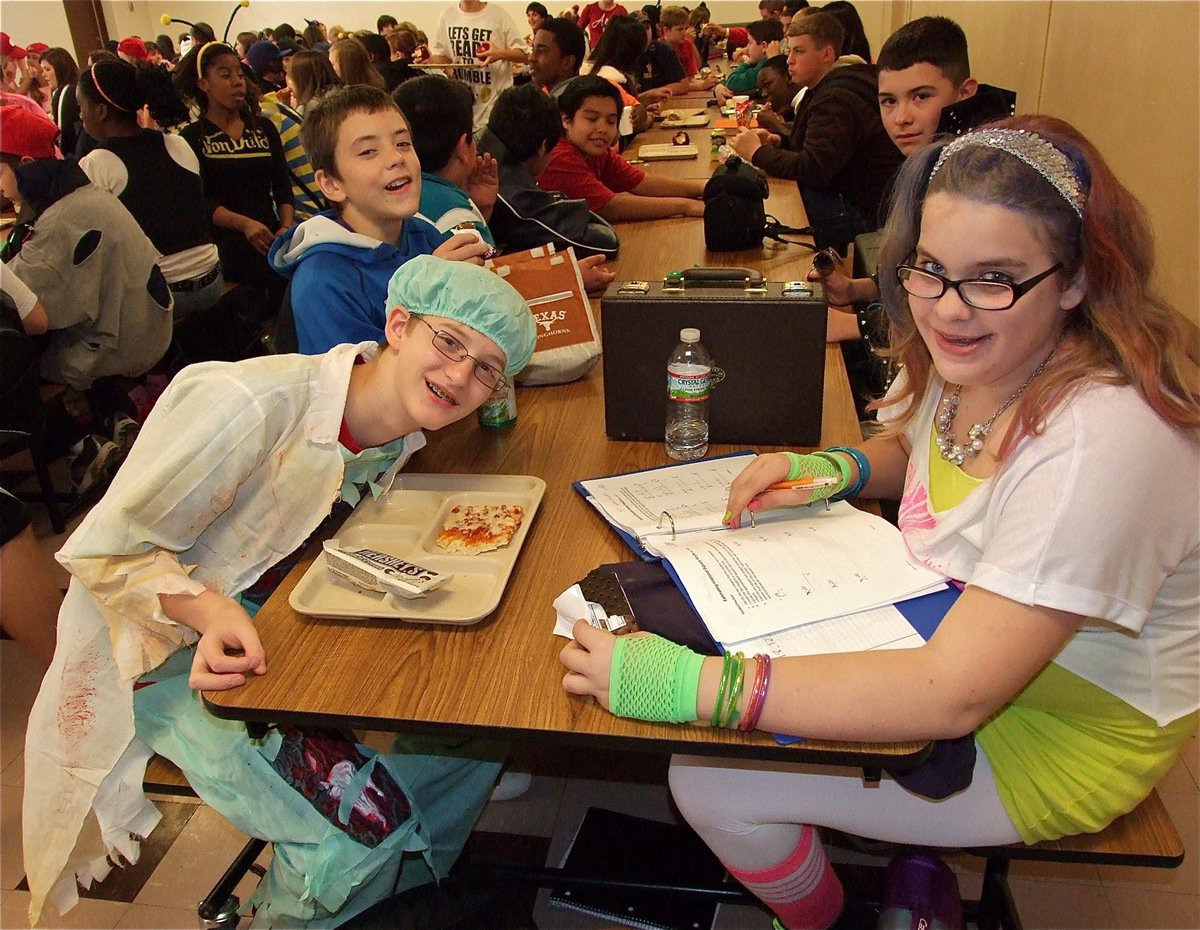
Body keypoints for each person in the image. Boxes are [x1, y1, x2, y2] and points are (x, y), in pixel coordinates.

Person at [559, 114, 1200, 930]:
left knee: (707, 777)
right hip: (952, 627)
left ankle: (832, 921)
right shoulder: (995, 348)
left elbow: (951, 697)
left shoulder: (1102, 443)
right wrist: (839, 468)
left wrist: (689, 688)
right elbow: (925, 441)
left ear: (1074, 281)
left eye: (994, 277)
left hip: (1060, 727)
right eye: (929, 269)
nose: (947, 308)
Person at [23, 254, 538, 929]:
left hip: (271, 622)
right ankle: (321, 895)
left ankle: (394, 895)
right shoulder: (254, 404)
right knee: (359, 827)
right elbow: (105, 549)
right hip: (155, 652)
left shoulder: (397, 433)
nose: (458, 376)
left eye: (484, 369)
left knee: (476, 724)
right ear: (398, 323)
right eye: (448, 342)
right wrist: (209, 612)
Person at [269, 86, 490, 353]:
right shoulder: (322, 282)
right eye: (368, 152)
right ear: (330, 183)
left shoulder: (424, 235)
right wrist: (426, 293)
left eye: (403, 144)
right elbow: (366, 384)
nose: (397, 158)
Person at [0, 105, 172, 392]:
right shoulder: (77, 190)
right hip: (147, 323)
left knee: (18, 358)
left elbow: (24, 304)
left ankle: (87, 426)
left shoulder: (60, 219)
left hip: (126, 346)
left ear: (26, 164)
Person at [730, 12, 902, 251]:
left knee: (766, 207)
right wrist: (780, 142)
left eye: (799, 51)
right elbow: (824, 149)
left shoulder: (835, 97)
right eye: (789, 51)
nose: (789, 60)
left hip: (865, 215)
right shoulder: (834, 83)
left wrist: (757, 153)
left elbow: (813, 168)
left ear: (827, 54)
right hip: (863, 202)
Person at [77, 59, 223, 320]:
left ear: (101, 111)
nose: (79, 116)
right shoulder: (177, 144)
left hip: (165, 296)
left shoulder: (96, 163)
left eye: (81, 107)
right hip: (213, 279)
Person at [176, 41, 294, 308]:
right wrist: (244, 224)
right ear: (203, 84)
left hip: (272, 240)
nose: (237, 82)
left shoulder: (263, 129)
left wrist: (285, 227)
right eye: (225, 75)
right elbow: (200, 200)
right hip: (227, 248)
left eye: (239, 74)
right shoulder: (192, 138)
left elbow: (282, 185)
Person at [478, 82, 619, 261]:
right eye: (591, 118)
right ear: (543, 147)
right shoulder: (510, 192)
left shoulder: (484, 145)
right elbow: (604, 242)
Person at [536, 75, 705, 221]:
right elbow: (610, 207)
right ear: (566, 119)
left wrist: (705, 188)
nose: (602, 129)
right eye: (592, 119)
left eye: (611, 121)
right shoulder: (558, 156)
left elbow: (640, 182)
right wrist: (685, 206)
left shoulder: (594, 150)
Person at [393, 76, 497, 247]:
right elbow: (485, 272)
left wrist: (479, 209)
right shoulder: (456, 216)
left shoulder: (386, 198)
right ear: (464, 147)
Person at [427, 1, 525, 132]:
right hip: (464, 109)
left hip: (495, 110)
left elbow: (524, 55)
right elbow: (445, 58)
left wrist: (499, 53)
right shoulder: (447, 16)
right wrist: (428, 60)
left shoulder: (498, 15)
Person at [715, 16, 784, 102]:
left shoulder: (764, 66)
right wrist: (719, 86)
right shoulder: (760, 63)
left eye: (750, 42)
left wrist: (746, 63)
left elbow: (732, 82)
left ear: (764, 46)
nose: (747, 48)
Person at [39, 47, 81, 156]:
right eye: (42, 70)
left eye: (47, 69)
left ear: (60, 69)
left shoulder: (64, 93)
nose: (43, 75)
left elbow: (63, 133)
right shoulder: (77, 86)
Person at [530, 16, 586, 96]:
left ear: (567, 62)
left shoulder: (565, 105)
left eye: (542, 51)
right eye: (533, 49)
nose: (531, 58)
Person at [754, 54, 801, 137]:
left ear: (789, 77)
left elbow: (803, 147)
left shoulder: (815, 102)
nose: (763, 94)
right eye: (761, 89)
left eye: (767, 85)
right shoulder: (792, 107)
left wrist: (775, 124)